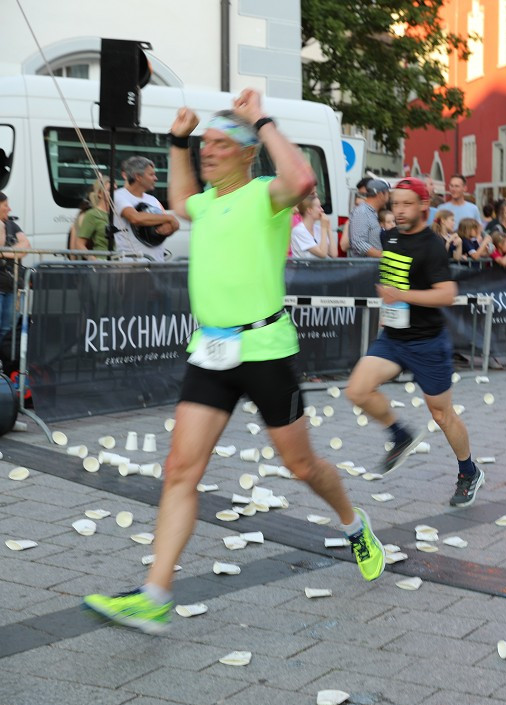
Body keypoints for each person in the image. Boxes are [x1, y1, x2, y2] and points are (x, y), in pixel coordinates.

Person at [82, 91, 385, 634]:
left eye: (221, 144)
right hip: (212, 353)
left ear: (248, 153)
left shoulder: (266, 196)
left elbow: (303, 182)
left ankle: (353, 522)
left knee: (302, 467)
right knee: (180, 470)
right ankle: (155, 593)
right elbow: (178, 199)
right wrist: (178, 139)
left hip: (265, 350)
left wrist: (262, 120)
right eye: (206, 146)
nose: (209, 152)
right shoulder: (208, 202)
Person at [345, 177, 486, 507]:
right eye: (396, 204)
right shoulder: (389, 236)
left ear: (424, 205)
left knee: (442, 414)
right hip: (393, 338)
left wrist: (401, 295)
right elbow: (391, 274)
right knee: (357, 389)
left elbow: (448, 294)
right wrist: (389, 302)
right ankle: (400, 435)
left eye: (408, 204)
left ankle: (469, 471)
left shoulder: (432, 245)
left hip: (427, 342)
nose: (400, 210)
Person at [112, 156, 180, 261]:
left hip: (156, 263)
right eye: (151, 174)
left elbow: (171, 225)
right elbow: (135, 218)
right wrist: (170, 218)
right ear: (138, 177)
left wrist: (169, 228)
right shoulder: (118, 196)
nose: (155, 178)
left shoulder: (153, 200)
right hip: (131, 266)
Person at [0, 193, 30, 341]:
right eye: (5, 205)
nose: (9, 209)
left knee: (8, 329)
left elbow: (26, 246)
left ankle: (4, 362)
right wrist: (14, 251)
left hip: (13, 286)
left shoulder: (12, 224)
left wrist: (3, 253)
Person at [349, 177, 391, 258]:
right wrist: (384, 256)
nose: (389, 196)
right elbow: (359, 243)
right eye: (387, 193)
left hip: (371, 267)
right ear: (381, 194)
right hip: (365, 268)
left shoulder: (372, 212)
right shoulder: (362, 212)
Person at [74, 179, 113, 255]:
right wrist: (92, 259)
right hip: (103, 261)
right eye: (110, 190)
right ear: (100, 194)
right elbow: (79, 244)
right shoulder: (91, 214)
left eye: (116, 189)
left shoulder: (118, 213)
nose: (114, 193)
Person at [290, 192, 332, 259]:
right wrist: (324, 228)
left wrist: (329, 229)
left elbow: (333, 254)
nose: (322, 210)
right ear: (309, 210)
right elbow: (323, 254)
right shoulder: (299, 231)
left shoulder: (317, 229)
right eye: (319, 207)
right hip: (305, 269)